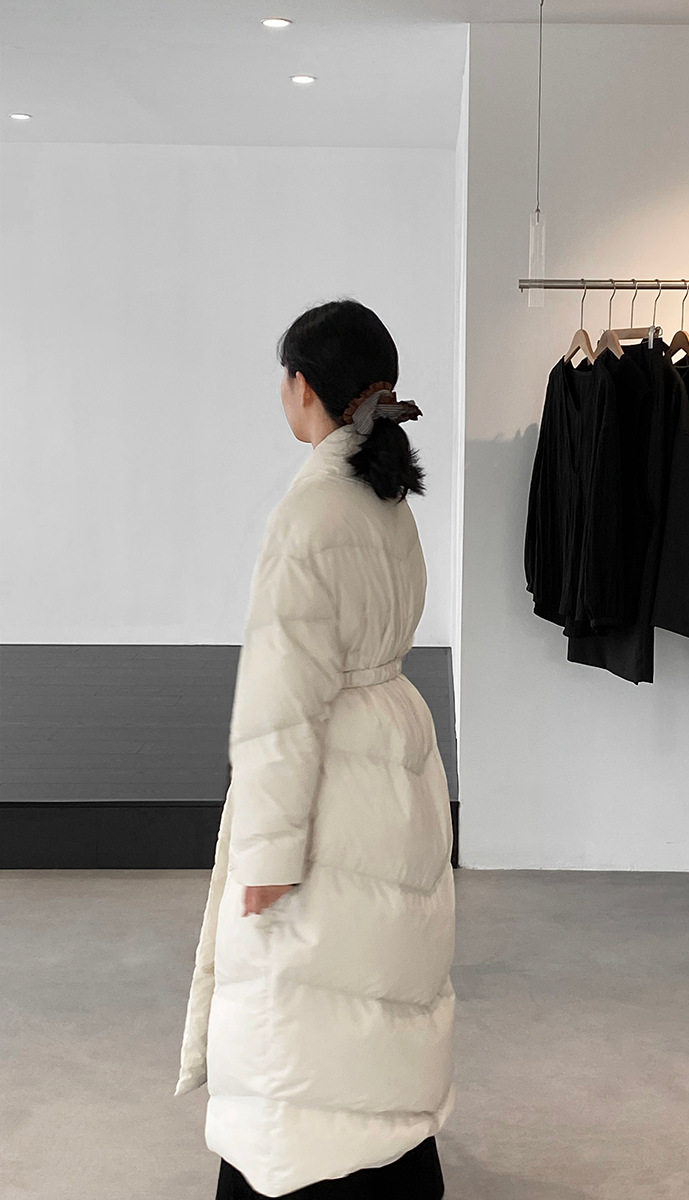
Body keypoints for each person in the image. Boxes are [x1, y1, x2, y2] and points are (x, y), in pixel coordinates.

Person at [173, 299, 457, 1199]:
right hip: (395, 762)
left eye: (284, 378)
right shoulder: (386, 500)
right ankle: (399, 1170)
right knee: (378, 991)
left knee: (290, 1011)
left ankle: (288, 1179)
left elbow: (281, 707)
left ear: (305, 387)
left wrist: (266, 854)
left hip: (331, 776)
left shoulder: (308, 515)